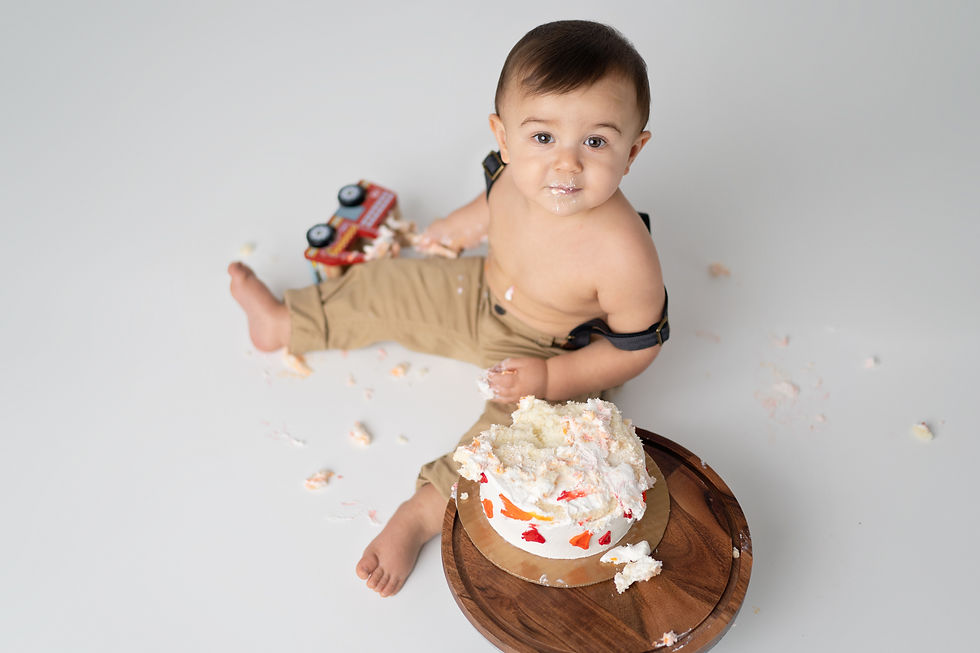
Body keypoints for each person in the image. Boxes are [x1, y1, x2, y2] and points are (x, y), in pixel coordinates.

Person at [228, 20, 668, 597]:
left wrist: (550, 378)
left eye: (595, 142)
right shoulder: (514, 176)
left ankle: (419, 515)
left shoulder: (624, 254)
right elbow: (490, 205)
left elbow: (636, 349)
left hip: (557, 352)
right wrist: (455, 230)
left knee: (513, 451)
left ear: (633, 150)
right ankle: (288, 322)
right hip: (479, 295)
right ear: (503, 137)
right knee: (389, 286)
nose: (566, 164)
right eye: (543, 137)